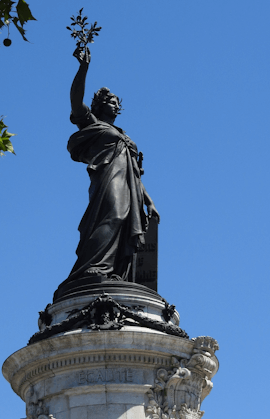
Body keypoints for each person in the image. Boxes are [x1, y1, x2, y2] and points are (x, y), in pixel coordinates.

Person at [63, 46, 159, 286]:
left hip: (130, 185)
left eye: (118, 103)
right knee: (113, 215)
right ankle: (92, 269)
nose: (116, 106)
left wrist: (149, 201)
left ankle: (114, 273)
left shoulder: (123, 135)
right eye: (112, 102)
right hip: (108, 179)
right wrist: (83, 68)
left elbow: (135, 174)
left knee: (125, 223)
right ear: (100, 105)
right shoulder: (92, 123)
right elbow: (75, 101)